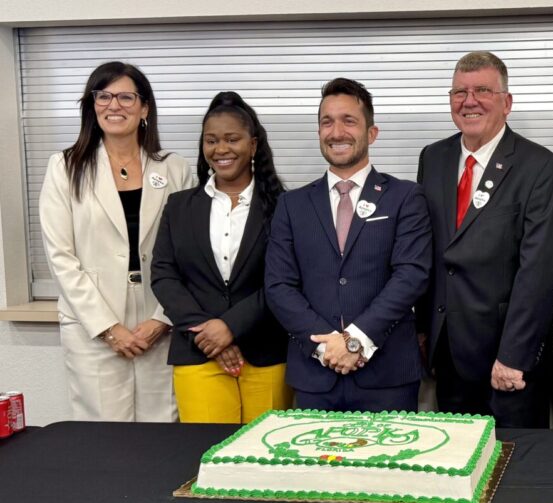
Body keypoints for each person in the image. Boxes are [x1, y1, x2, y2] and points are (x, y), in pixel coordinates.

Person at [416, 51, 553, 428]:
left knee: (515, 467)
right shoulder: (432, 158)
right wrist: (421, 330)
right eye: (459, 92)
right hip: (446, 350)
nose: (469, 101)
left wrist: (514, 354)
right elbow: (427, 251)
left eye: (482, 90)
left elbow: (539, 269)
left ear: (507, 102)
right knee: (455, 466)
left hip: (506, 354)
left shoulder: (539, 166)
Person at [265, 78, 431, 412]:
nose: (337, 131)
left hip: (388, 376)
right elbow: (279, 285)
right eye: (327, 122)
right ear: (318, 133)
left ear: (372, 133)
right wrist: (328, 347)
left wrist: (356, 341)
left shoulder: (405, 197)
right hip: (315, 374)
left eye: (349, 120)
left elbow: (411, 275)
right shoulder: (291, 204)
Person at [39, 61, 192, 422]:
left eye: (126, 97)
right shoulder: (65, 167)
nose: (114, 105)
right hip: (93, 320)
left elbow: (190, 252)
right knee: (103, 435)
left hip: (159, 319)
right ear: (92, 106)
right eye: (104, 96)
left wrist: (162, 319)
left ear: (144, 108)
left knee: (162, 430)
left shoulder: (173, 168)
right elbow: (61, 257)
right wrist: (109, 329)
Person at [151, 92, 292, 423]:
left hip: (266, 352)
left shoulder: (284, 206)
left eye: (232, 139)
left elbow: (284, 279)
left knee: (266, 460)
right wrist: (210, 333)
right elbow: (164, 275)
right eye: (211, 140)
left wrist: (230, 327)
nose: (221, 149)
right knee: (205, 459)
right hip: (198, 352)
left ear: (253, 144)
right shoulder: (179, 206)